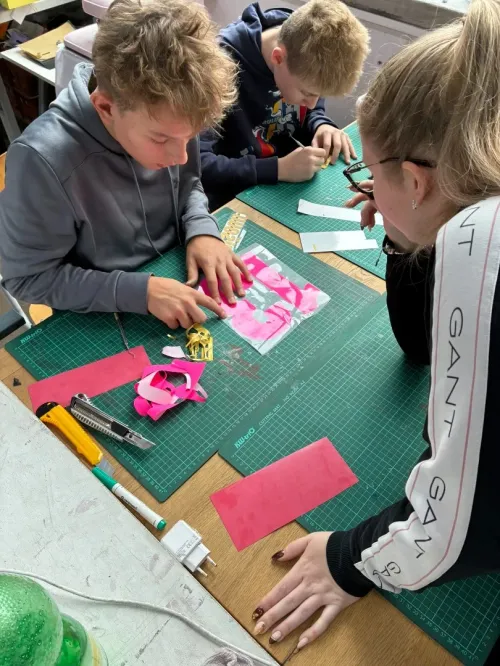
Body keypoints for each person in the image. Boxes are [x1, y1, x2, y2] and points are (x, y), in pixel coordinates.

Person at [250, 0, 500, 654]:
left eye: (370, 172)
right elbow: (420, 348)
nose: (364, 188)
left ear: (416, 180)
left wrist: (348, 559)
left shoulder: (484, 237)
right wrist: (406, 231)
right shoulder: (472, 200)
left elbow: (452, 528)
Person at [0, 0, 252, 330]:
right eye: (161, 139)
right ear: (106, 107)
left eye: (189, 137)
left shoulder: (173, 117)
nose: (181, 156)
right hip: (104, 312)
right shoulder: (41, 162)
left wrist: (201, 227)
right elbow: (28, 278)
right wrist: (139, 292)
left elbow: (188, 183)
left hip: (173, 268)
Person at [200, 0, 369, 211]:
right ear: (278, 58)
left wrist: (320, 123)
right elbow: (199, 165)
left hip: (281, 185)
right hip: (230, 198)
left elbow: (311, 108)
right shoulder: (214, 71)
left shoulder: (305, 52)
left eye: (320, 95)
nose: (312, 104)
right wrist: (278, 169)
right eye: (307, 93)